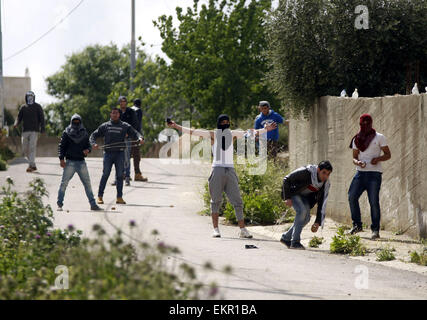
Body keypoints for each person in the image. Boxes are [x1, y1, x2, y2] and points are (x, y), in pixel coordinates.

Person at [167, 114, 277, 239]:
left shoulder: (233, 134)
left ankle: (243, 230)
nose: (225, 124)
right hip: (217, 169)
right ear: (219, 123)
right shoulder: (213, 134)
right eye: (223, 122)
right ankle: (216, 229)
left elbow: (251, 132)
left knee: (238, 202)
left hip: (230, 170)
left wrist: (266, 129)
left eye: (227, 122)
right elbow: (192, 132)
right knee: (215, 201)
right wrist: (176, 126)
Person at [348, 114, 391, 240]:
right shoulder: (356, 139)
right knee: (351, 197)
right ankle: (357, 225)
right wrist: (358, 162)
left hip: (374, 174)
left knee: (373, 202)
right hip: (360, 174)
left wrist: (378, 159)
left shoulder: (379, 137)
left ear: (371, 123)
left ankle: (375, 230)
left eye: (368, 123)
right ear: (360, 124)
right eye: (363, 124)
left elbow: (388, 154)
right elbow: (354, 157)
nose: (365, 126)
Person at [90, 108, 144, 205]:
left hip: (120, 154)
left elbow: (135, 133)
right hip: (108, 154)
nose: (114, 115)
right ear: (110, 114)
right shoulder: (105, 125)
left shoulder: (124, 125)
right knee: (105, 174)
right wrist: (93, 143)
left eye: (116, 113)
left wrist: (140, 138)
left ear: (119, 115)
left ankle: (119, 197)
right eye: (113, 113)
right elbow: (93, 135)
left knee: (120, 176)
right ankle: (100, 196)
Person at [280, 161, 333, 250]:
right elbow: (286, 179)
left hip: (304, 197)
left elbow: (322, 202)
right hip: (293, 193)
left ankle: (286, 238)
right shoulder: (306, 172)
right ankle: (295, 242)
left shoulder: (325, 184)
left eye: (328, 174)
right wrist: (287, 198)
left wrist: (317, 221)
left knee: (306, 218)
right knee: (302, 211)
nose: (325, 176)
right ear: (318, 170)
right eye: (323, 173)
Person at [57, 114, 102, 212]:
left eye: (78, 121)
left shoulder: (84, 133)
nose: (76, 123)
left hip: (81, 162)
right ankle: (59, 204)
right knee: (64, 183)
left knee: (87, 184)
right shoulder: (66, 132)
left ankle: (93, 204)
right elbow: (61, 146)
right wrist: (61, 159)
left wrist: (88, 150)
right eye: (74, 121)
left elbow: (88, 146)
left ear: (80, 122)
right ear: (71, 121)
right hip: (70, 162)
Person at [13, 91, 45, 173]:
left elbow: (42, 118)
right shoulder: (23, 107)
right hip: (25, 131)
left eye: (31, 96)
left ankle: (31, 165)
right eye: (28, 96)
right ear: (26, 97)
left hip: (34, 130)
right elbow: (19, 117)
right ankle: (33, 165)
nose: (30, 97)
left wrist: (42, 129)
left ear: (34, 97)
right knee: (24, 148)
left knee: (32, 147)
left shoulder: (38, 107)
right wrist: (16, 123)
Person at [113, 96, 139, 187]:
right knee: (117, 159)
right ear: (119, 103)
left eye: (124, 101)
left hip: (127, 138)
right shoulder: (117, 112)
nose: (122, 103)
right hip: (118, 139)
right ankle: (117, 179)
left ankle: (127, 178)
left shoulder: (131, 112)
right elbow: (113, 122)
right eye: (121, 101)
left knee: (126, 158)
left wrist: (129, 133)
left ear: (126, 103)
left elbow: (134, 124)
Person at [131, 98, 148, 182]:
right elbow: (138, 124)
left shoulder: (129, 110)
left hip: (126, 135)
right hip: (134, 136)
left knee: (125, 156)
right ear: (140, 104)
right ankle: (137, 174)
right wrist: (140, 136)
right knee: (136, 156)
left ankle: (123, 174)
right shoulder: (139, 111)